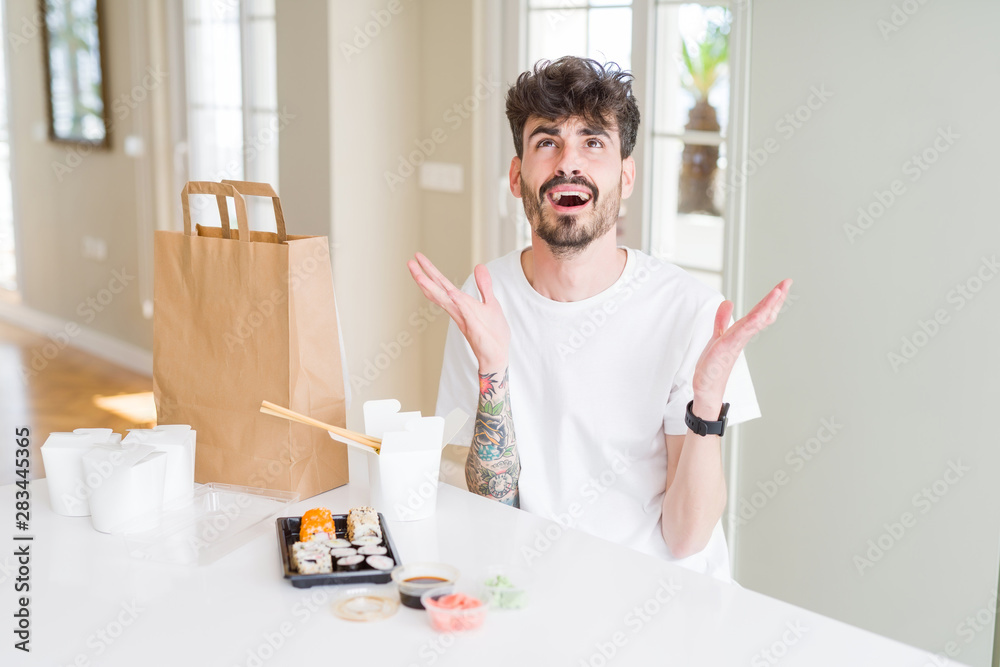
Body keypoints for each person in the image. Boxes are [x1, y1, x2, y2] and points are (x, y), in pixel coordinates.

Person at [407, 56, 791, 582]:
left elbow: (686, 539)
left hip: (660, 602)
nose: (569, 162)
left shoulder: (691, 312)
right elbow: (493, 506)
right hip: (533, 591)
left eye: (593, 142)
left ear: (626, 175)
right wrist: (493, 370)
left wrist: (705, 406)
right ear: (518, 177)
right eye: (547, 141)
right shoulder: (484, 299)